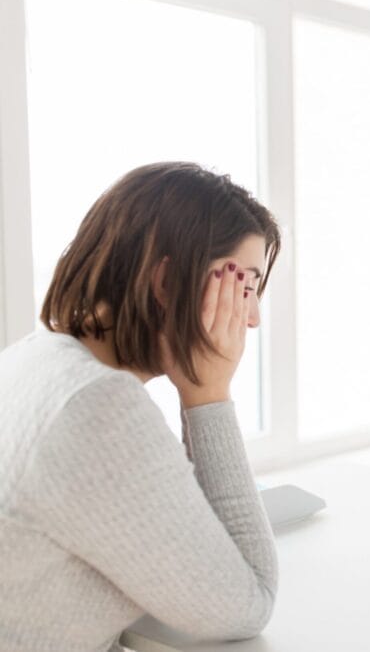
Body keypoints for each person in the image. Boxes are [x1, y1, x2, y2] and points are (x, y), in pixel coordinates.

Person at [0, 162, 281, 651]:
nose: (252, 317)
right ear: (168, 283)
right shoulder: (97, 407)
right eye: (246, 286)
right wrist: (207, 392)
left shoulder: (34, 357)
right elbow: (247, 604)